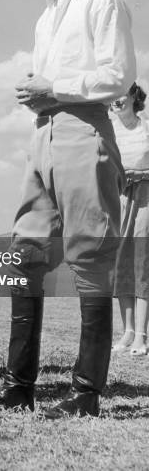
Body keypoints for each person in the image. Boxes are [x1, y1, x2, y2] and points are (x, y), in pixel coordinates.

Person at [0, 0, 136, 418]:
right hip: (43, 135)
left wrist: (55, 88)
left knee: (89, 256)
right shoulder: (46, 14)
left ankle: (85, 393)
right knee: (26, 250)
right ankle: (18, 385)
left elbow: (117, 76)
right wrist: (39, 95)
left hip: (85, 130)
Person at [111, 84, 149, 356]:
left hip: (145, 195)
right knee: (121, 261)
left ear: (135, 97)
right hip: (118, 196)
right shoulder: (108, 129)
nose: (116, 100)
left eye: (121, 94)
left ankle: (142, 335)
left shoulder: (146, 128)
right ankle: (127, 332)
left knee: (142, 261)